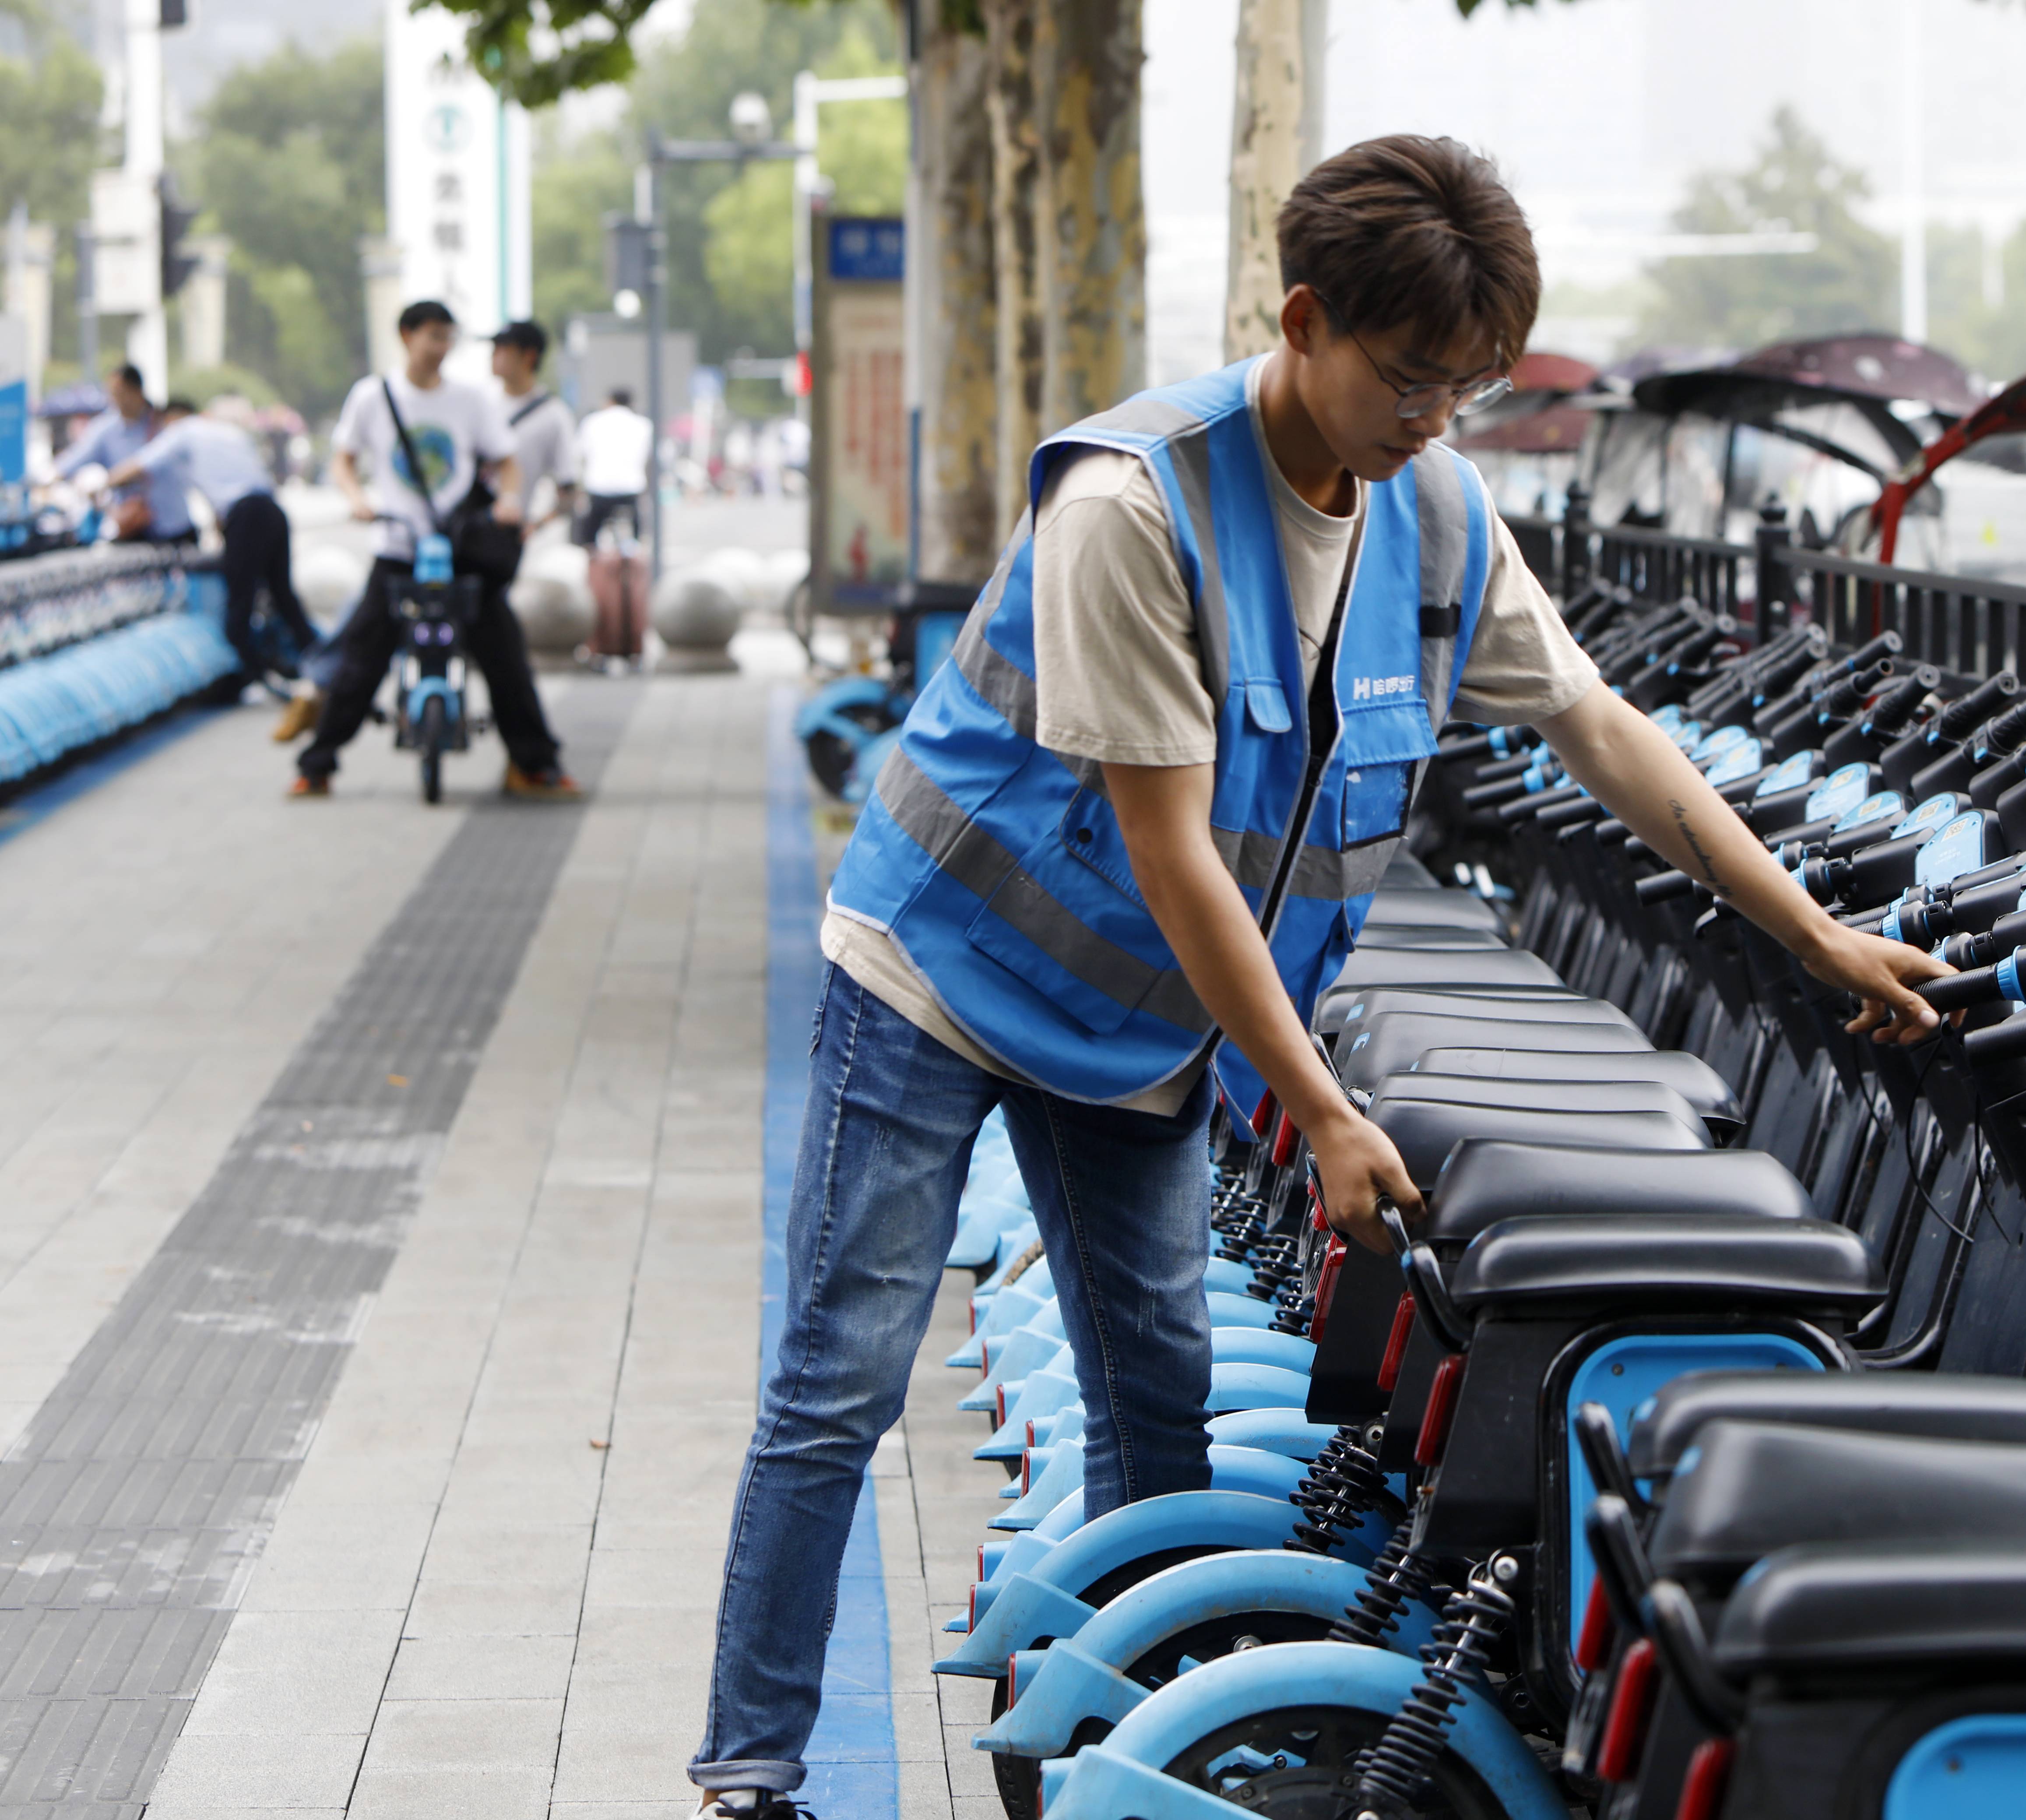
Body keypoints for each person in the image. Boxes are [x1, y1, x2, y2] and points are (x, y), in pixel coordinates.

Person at [683, 135, 1955, 1818]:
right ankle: (749, 1767)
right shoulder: (1132, 503)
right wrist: (1318, 1105)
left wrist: (1810, 930)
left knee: (1161, 1390)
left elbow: (1597, 728)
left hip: (1141, 1027)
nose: (1433, 418)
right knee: (837, 1374)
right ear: (1300, 318)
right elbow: (1174, 850)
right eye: (1409, 376)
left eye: (1468, 388)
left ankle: (1137, 1743)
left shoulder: (1430, 513)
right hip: (940, 974)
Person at [295, 300, 584, 802]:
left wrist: (511, 503)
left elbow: (507, 461)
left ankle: (536, 765)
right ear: (407, 336)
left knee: (505, 657)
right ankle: (317, 767)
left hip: (462, 549)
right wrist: (358, 498)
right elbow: (344, 459)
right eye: (433, 336)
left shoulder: (471, 400)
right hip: (397, 547)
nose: (441, 348)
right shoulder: (373, 396)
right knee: (362, 659)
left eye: (448, 338)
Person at [107, 399, 313, 701]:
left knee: (239, 603)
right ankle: (321, 662)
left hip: (246, 516)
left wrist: (104, 482)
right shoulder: (229, 432)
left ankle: (246, 675)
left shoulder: (185, 431)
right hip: (271, 511)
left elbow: (142, 463)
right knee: (283, 595)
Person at [58, 364, 194, 545]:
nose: (115, 399)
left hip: (173, 524)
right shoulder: (106, 429)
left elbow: (144, 463)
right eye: (112, 393)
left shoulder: (163, 422)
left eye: (119, 393)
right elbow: (75, 458)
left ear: (137, 391)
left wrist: (106, 482)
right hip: (133, 527)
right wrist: (50, 479)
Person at [489, 320, 584, 535]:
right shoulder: (481, 402)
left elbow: (569, 489)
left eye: (504, 348)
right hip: (465, 528)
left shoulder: (554, 415)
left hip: (509, 533)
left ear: (529, 356)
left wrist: (534, 527)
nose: (494, 355)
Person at [574, 386, 652, 549]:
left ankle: (590, 556)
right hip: (631, 491)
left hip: (599, 491)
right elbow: (649, 457)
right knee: (639, 539)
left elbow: (579, 454)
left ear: (610, 401)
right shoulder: (644, 424)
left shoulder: (592, 422)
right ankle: (635, 554)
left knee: (587, 540)